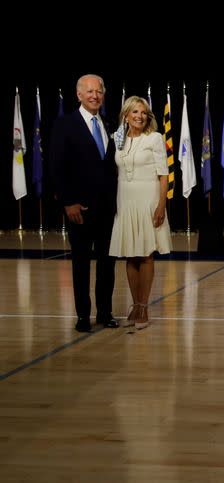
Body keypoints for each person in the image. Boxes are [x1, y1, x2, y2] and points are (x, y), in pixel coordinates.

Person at [49, 74, 119, 333]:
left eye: (99, 91)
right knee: (80, 264)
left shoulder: (110, 123)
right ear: (78, 95)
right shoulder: (65, 125)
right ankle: (82, 315)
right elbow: (57, 168)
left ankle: (105, 313)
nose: (94, 96)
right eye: (89, 91)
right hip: (80, 209)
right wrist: (68, 203)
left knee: (107, 264)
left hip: (108, 209)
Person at [109, 96, 172, 330]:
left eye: (144, 113)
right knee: (130, 254)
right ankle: (135, 306)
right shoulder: (117, 140)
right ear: (126, 116)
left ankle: (144, 307)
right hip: (125, 201)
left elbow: (164, 174)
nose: (139, 116)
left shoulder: (154, 138)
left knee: (145, 253)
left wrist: (161, 205)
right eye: (135, 112)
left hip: (148, 200)